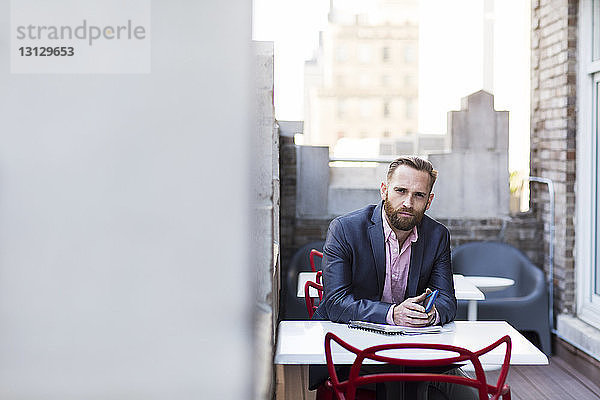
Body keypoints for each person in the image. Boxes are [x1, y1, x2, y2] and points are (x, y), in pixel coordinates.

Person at [312, 156, 476, 400]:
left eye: (419, 195)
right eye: (400, 191)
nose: (408, 203)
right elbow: (335, 302)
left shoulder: (437, 235)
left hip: (415, 348)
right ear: (384, 190)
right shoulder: (345, 229)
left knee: (472, 393)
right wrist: (393, 314)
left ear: (429, 201)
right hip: (353, 348)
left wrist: (430, 315)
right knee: (403, 378)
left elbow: (447, 301)